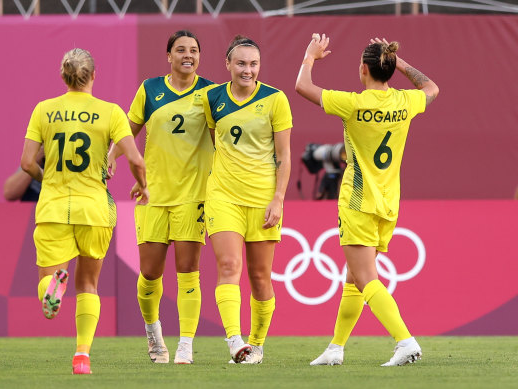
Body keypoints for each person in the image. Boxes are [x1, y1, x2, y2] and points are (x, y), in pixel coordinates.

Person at [295, 34, 439, 366]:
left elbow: (302, 86)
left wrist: (310, 55)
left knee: (365, 278)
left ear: (363, 69)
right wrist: (400, 63)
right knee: (353, 278)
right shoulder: (406, 102)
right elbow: (432, 87)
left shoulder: (354, 104)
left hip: (358, 201)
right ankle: (335, 348)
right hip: (388, 204)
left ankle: (405, 341)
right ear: (389, 68)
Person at [20, 48, 148, 374]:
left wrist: (47, 178)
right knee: (88, 285)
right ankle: (82, 356)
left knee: (47, 279)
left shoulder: (44, 110)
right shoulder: (110, 112)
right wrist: (142, 185)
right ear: (94, 75)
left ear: (63, 76)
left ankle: (52, 290)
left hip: (52, 207)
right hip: (94, 209)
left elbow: (26, 163)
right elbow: (135, 159)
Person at [108, 30, 214, 364]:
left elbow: (223, 137)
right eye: (181, 50)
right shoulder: (150, 89)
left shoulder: (212, 93)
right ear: (168, 56)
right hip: (152, 194)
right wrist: (111, 157)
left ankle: (185, 344)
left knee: (188, 271)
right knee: (151, 274)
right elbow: (128, 131)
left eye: (194, 50)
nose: (188, 55)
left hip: (193, 195)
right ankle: (154, 336)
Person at [202, 35, 293, 364]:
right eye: (241, 63)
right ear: (227, 64)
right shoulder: (212, 98)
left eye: (253, 64)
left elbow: (284, 155)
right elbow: (216, 142)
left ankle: (256, 345)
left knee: (259, 277)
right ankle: (234, 340)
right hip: (223, 196)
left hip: (263, 199)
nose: (247, 70)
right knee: (228, 266)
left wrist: (278, 198)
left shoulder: (275, 99)